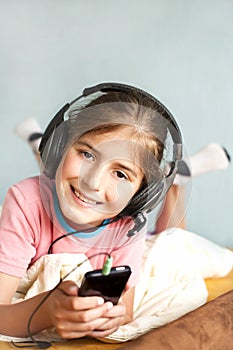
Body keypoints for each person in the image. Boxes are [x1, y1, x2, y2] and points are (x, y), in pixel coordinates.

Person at [0, 82, 182, 341]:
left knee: (172, 237)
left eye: (120, 173)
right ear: (60, 146)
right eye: (87, 154)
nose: (93, 183)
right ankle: (36, 141)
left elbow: (124, 309)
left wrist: (112, 317)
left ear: (141, 193)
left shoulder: (128, 226)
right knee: (54, 183)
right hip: (46, 189)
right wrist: (44, 312)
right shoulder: (25, 202)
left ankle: (179, 186)